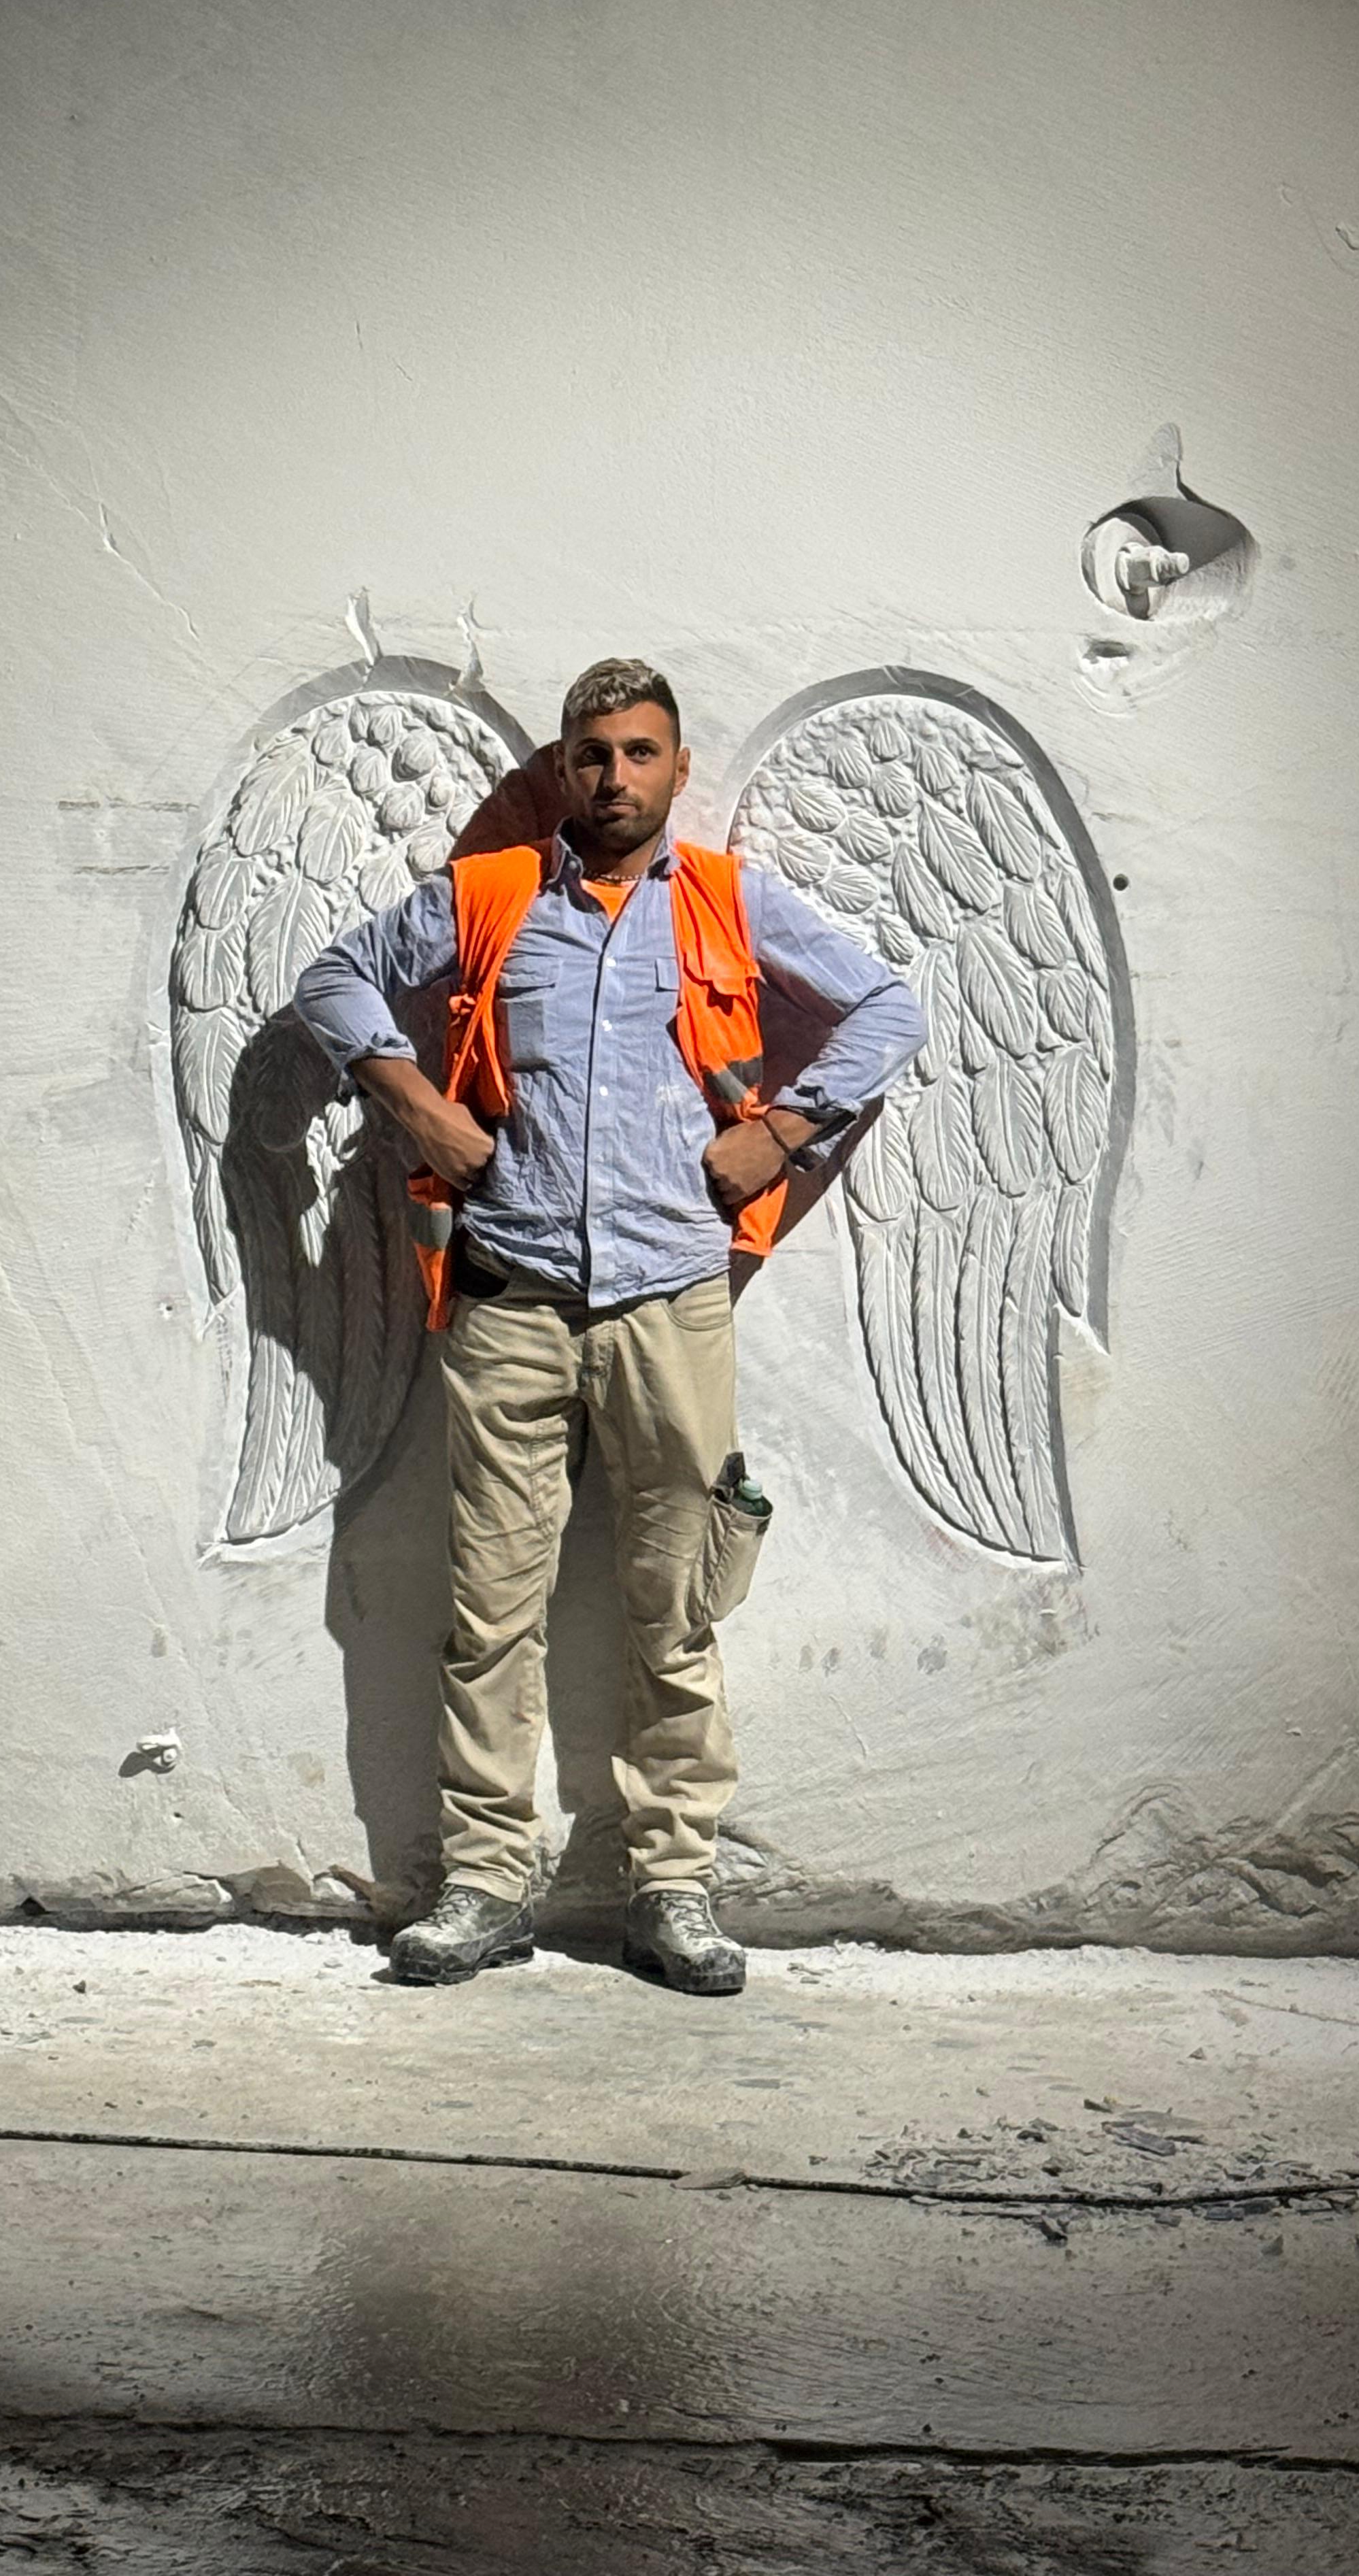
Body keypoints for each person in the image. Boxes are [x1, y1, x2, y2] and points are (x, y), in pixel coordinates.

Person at [294, 659, 926, 1994]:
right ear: (562, 769)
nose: (616, 776)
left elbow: (891, 1007)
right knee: (488, 1611)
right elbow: (336, 981)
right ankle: (483, 1886)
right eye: (592, 753)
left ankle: (674, 1888)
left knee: (677, 1608)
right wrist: (417, 1107)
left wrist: (784, 1129)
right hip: (511, 1297)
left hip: (671, 1299)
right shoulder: (493, 897)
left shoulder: (726, 900)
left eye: (641, 752)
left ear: (679, 769)